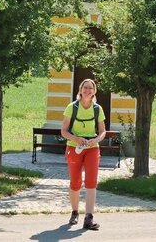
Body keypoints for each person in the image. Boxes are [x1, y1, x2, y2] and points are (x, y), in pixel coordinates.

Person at [60, 77, 107, 230]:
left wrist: (96, 140)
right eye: (85, 87)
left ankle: (89, 217)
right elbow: (64, 131)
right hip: (74, 148)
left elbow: (102, 131)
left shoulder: (97, 109)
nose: (87, 90)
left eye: (90, 88)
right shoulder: (71, 107)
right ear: (80, 90)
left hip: (92, 149)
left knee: (91, 182)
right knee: (75, 182)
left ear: (94, 91)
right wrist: (76, 139)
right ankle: (74, 212)